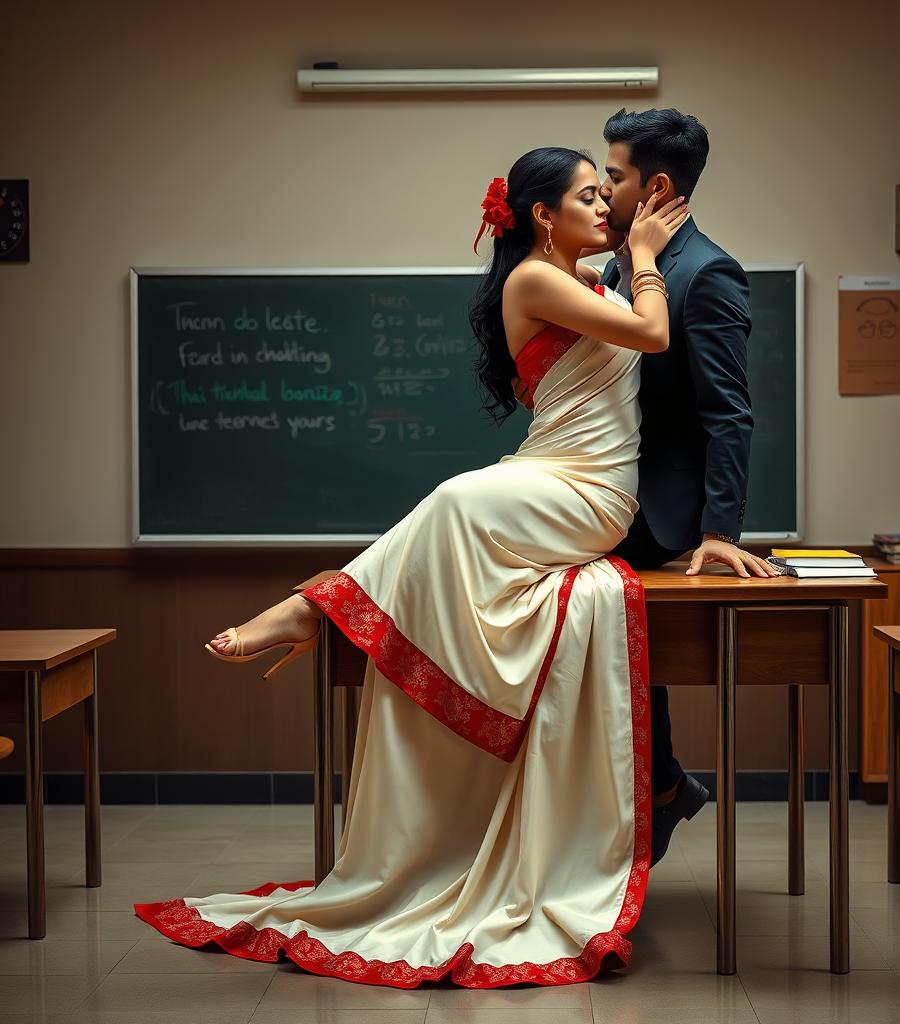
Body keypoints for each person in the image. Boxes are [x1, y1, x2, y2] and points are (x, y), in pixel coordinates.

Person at [134, 147, 695, 988]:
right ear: (543, 216)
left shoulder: (596, 279)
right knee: (457, 498)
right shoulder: (535, 283)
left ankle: (312, 608)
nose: (606, 209)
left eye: (603, 195)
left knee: (456, 498)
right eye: (588, 196)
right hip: (549, 475)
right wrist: (643, 260)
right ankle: (314, 608)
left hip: (590, 488)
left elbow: (644, 328)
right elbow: (649, 327)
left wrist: (637, 252)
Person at [596, 108, 781, 866]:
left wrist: (719, 533)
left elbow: (729, 416)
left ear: (655, 185)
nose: (603, 189)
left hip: (657, 511)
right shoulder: (620, 262)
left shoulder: (705, 273)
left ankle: (651, 791)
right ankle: (660, 786)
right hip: (605, 485)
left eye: (613, 176)